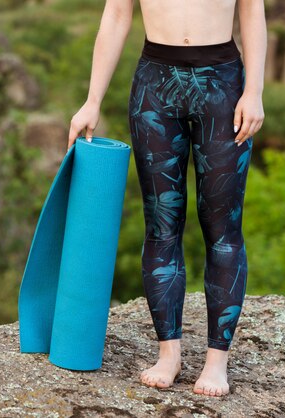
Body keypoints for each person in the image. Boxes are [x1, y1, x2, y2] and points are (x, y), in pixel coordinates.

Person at [68, 0, 266, 398]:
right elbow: (118, 13)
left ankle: (216, 362)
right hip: (154, 85)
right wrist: (92, 100)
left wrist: (255, 91)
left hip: (224, 85)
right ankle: (168, 354)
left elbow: (252, 11)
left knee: (222, 228)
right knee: (161, 223)